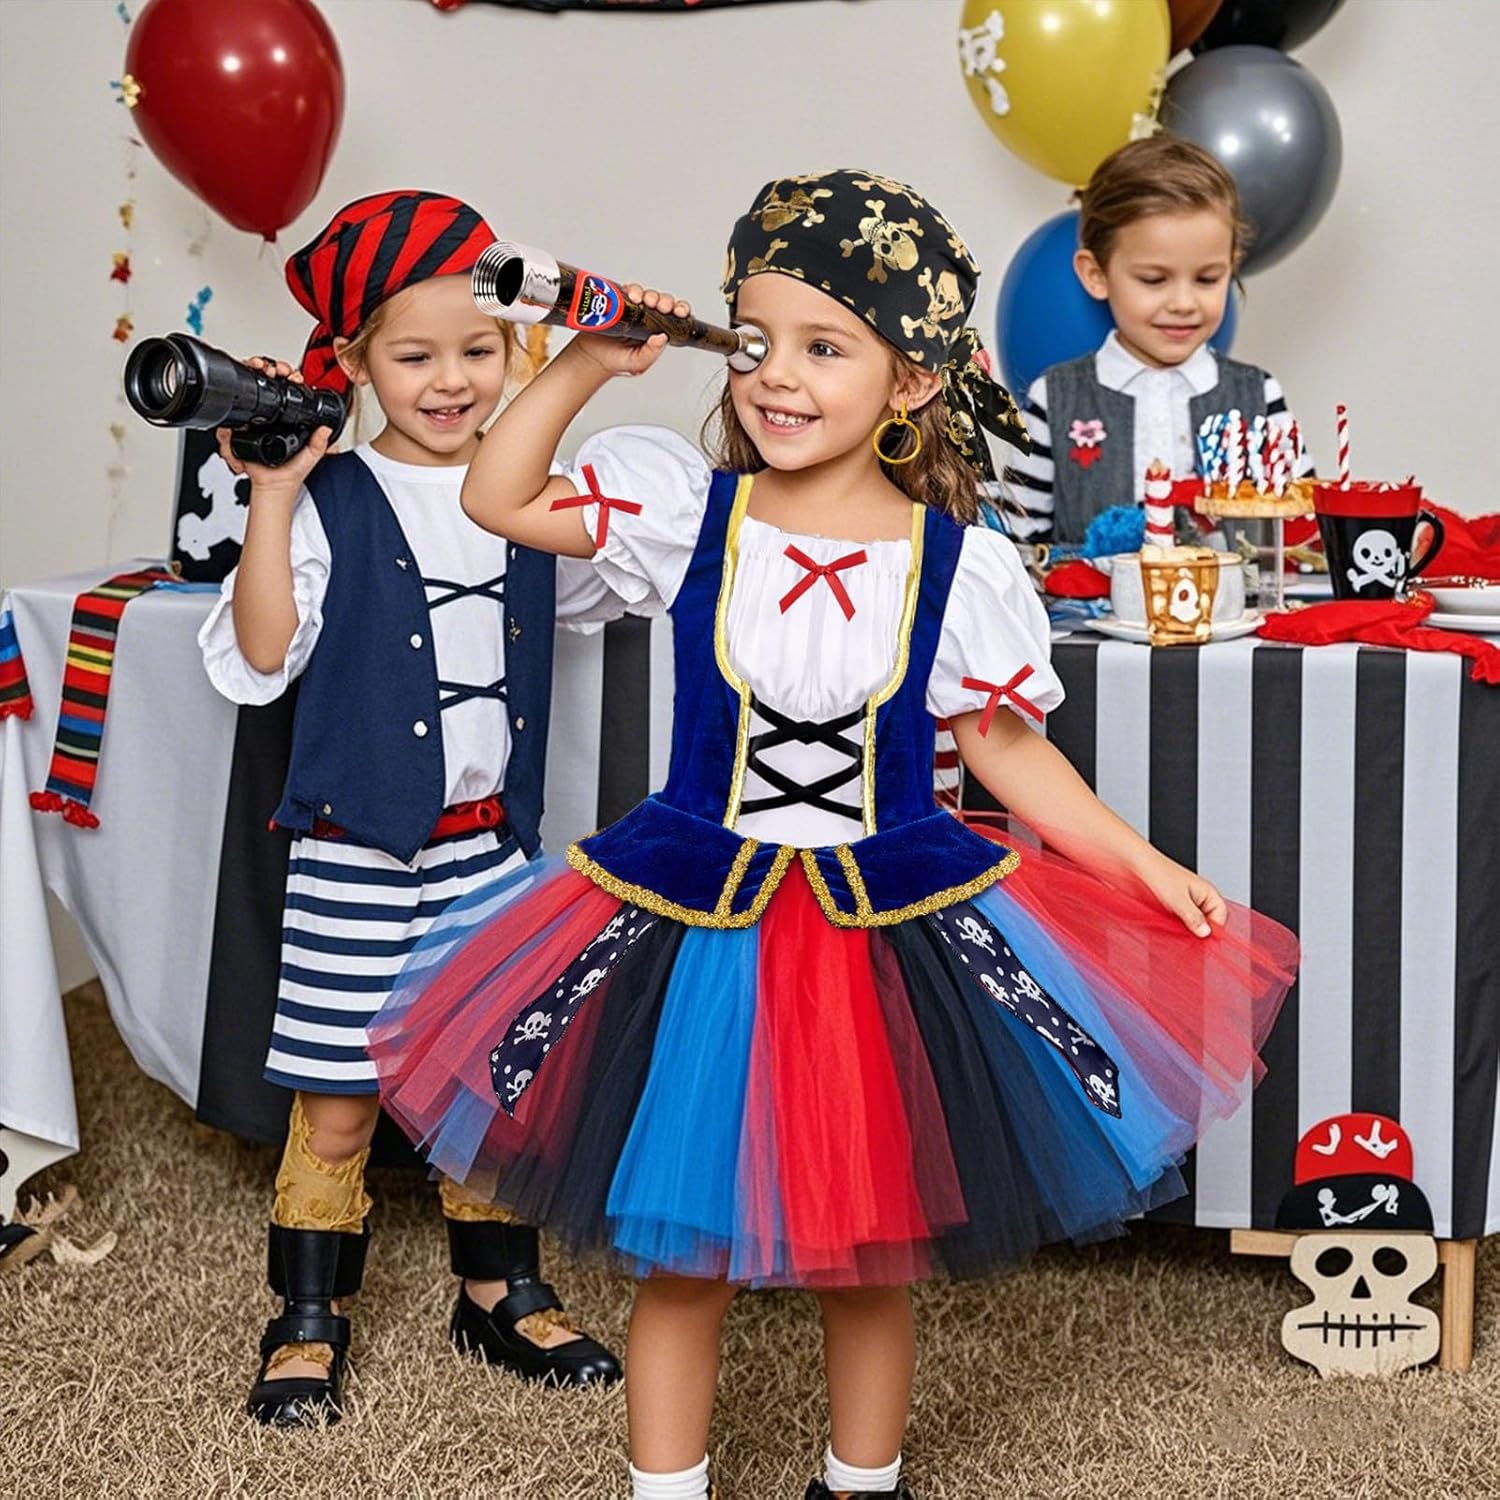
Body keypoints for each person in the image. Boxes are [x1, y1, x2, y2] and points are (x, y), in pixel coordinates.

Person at [368, 170, 1299, 1499]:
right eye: (756, 342)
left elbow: (1007, 750)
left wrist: (1142, 863)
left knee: (868, 1262)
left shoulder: (958, 567)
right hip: (698, 920)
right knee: (682, 1257)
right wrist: (584, 361)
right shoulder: (689, 511)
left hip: (883, 930)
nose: (777, 377)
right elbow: (497, 499)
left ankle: (861, 1484)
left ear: (910, 381)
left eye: (824, 348)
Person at [198, 190, 622, 1427]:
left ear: (516, 350)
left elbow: (627, 579)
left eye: (477, 351)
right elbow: (261, 656)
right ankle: (307, 1315)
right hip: (353, 855)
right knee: (338, 1102)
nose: (450, 381)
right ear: (353, 362)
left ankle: (498, 1290)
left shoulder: (532, 494)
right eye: (414, 356)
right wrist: (275, 495)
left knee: (490, 1081)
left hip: (488, 855)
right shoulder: (331, 497)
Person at [1003, 136, 1315, 544]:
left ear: (1232, 265)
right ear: (1096, 275)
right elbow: (1016, 546)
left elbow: (1303, 535)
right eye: (1153, 280)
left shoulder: (1259, 397)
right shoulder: (1053, 399)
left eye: (1207, 278)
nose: (1183, 303)